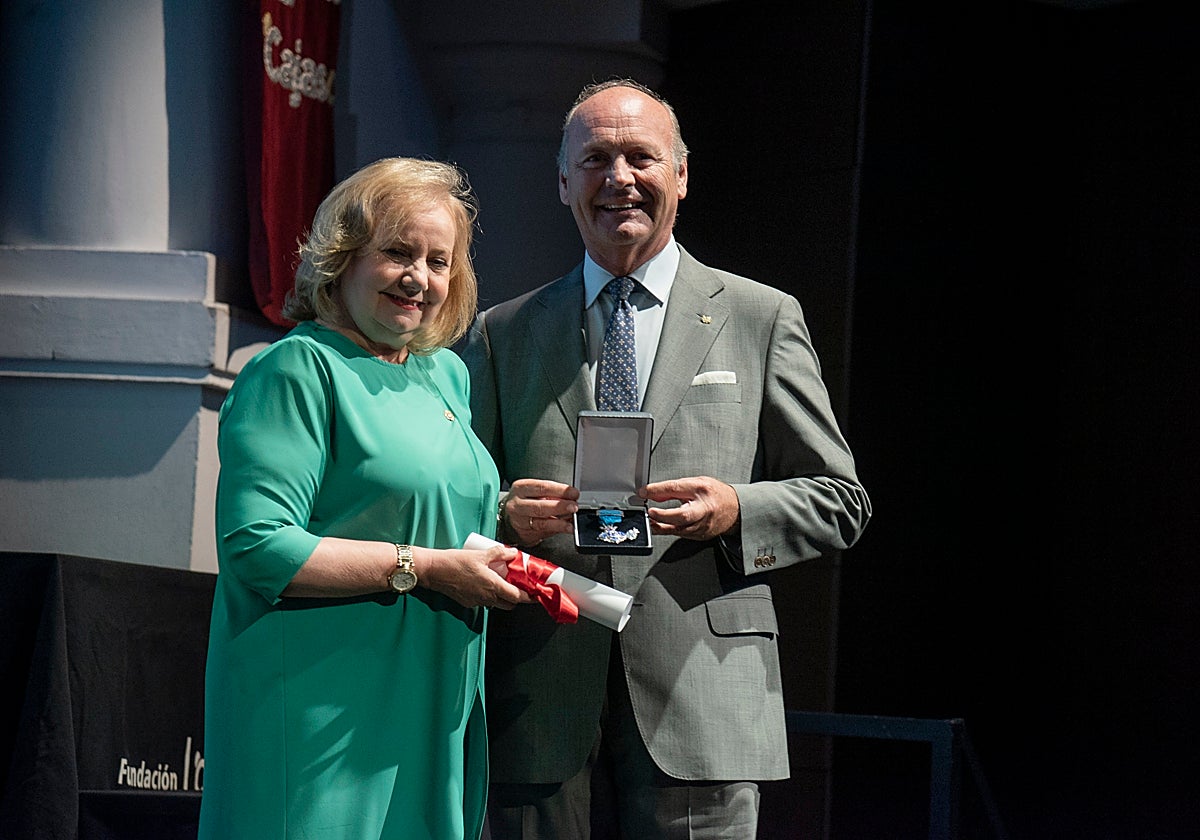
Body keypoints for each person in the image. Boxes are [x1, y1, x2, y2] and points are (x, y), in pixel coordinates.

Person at [460, 80, 872, 838]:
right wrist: (500, 514)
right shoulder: (501, 332)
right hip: (540, 696)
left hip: (701, 697)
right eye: (595, 158)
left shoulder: (760, 317)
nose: (619, 176)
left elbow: (840, 499)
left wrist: (737, 508)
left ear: (681, 175)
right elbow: (460, 502)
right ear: (562, 182)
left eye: (640, 155)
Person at [198, 157, 530, 840]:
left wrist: (509, 511)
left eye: (440, 262)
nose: (420, 278)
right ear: (341, 258)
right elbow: (259, 548)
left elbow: (403, 500)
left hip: (430, 697)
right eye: (398, 253)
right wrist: (427, 569)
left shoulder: (442, 376)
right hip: (323, 712)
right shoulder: (294, 370)